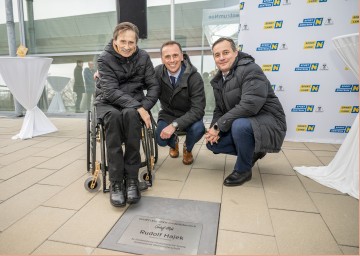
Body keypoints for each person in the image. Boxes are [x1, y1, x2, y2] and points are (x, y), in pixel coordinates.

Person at [205, 37, 286, 186]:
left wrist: (219, 127)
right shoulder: (219, 80)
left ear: (236, 53)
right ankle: (254, 151)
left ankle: (243, 170)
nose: (221, 58)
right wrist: (212, 129)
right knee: (213, 145)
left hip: (270, 122)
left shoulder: (250, 69)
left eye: (226, 52)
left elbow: (249, 105)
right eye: (217, 55)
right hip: (248, 123)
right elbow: (219, 110)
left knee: (239, 125)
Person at [95, 22, 160, 207]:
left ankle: (131, 179)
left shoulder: (143, 57)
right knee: (115, 118)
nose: (127, 46)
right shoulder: (104, 58)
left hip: (134, 104)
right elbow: (110, 91)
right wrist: (139, 107)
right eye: (123, 41)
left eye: (131, 42)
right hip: (108, 103)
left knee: (131, 115)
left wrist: (144, 106)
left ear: (137, 43)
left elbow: (154, 86)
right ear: (115, 40)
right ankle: (116, 182)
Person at [155, 41, 206, 165]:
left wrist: (174, 125)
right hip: (168, 114)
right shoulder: (156, 72)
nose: (172, 60)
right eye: (167, 56)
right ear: (162, 59)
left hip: (189, 115)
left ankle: (187, 148)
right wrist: (104, 75)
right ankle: (174, 143)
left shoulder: (195, 77)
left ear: (182, 56)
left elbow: (198, 109)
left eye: (175, 55)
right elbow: (138, 81)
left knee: (199, 128)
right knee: (160, 139)